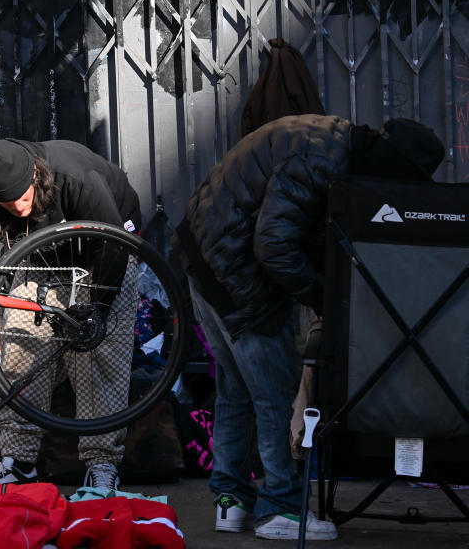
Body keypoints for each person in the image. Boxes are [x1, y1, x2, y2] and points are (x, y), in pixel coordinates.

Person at [174, 114, 446, 541]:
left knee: (236, 389)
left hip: (205, 255)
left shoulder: (329, 139)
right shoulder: (323, 160)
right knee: (277, 394)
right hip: (235, 271)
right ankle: (280, 507)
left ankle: (232, 502)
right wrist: (323, 297)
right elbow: (274, 244)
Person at [0, 138, 142, 490]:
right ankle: (17, 460)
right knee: (20, 349)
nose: (17, 206)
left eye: (23, 197)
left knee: (99, 358)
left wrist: (97, 311)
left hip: (104, 253)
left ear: (35, 176)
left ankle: (102, 466)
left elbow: (113, 244)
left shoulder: (75, 177)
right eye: (6, 202)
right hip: (44, 257)